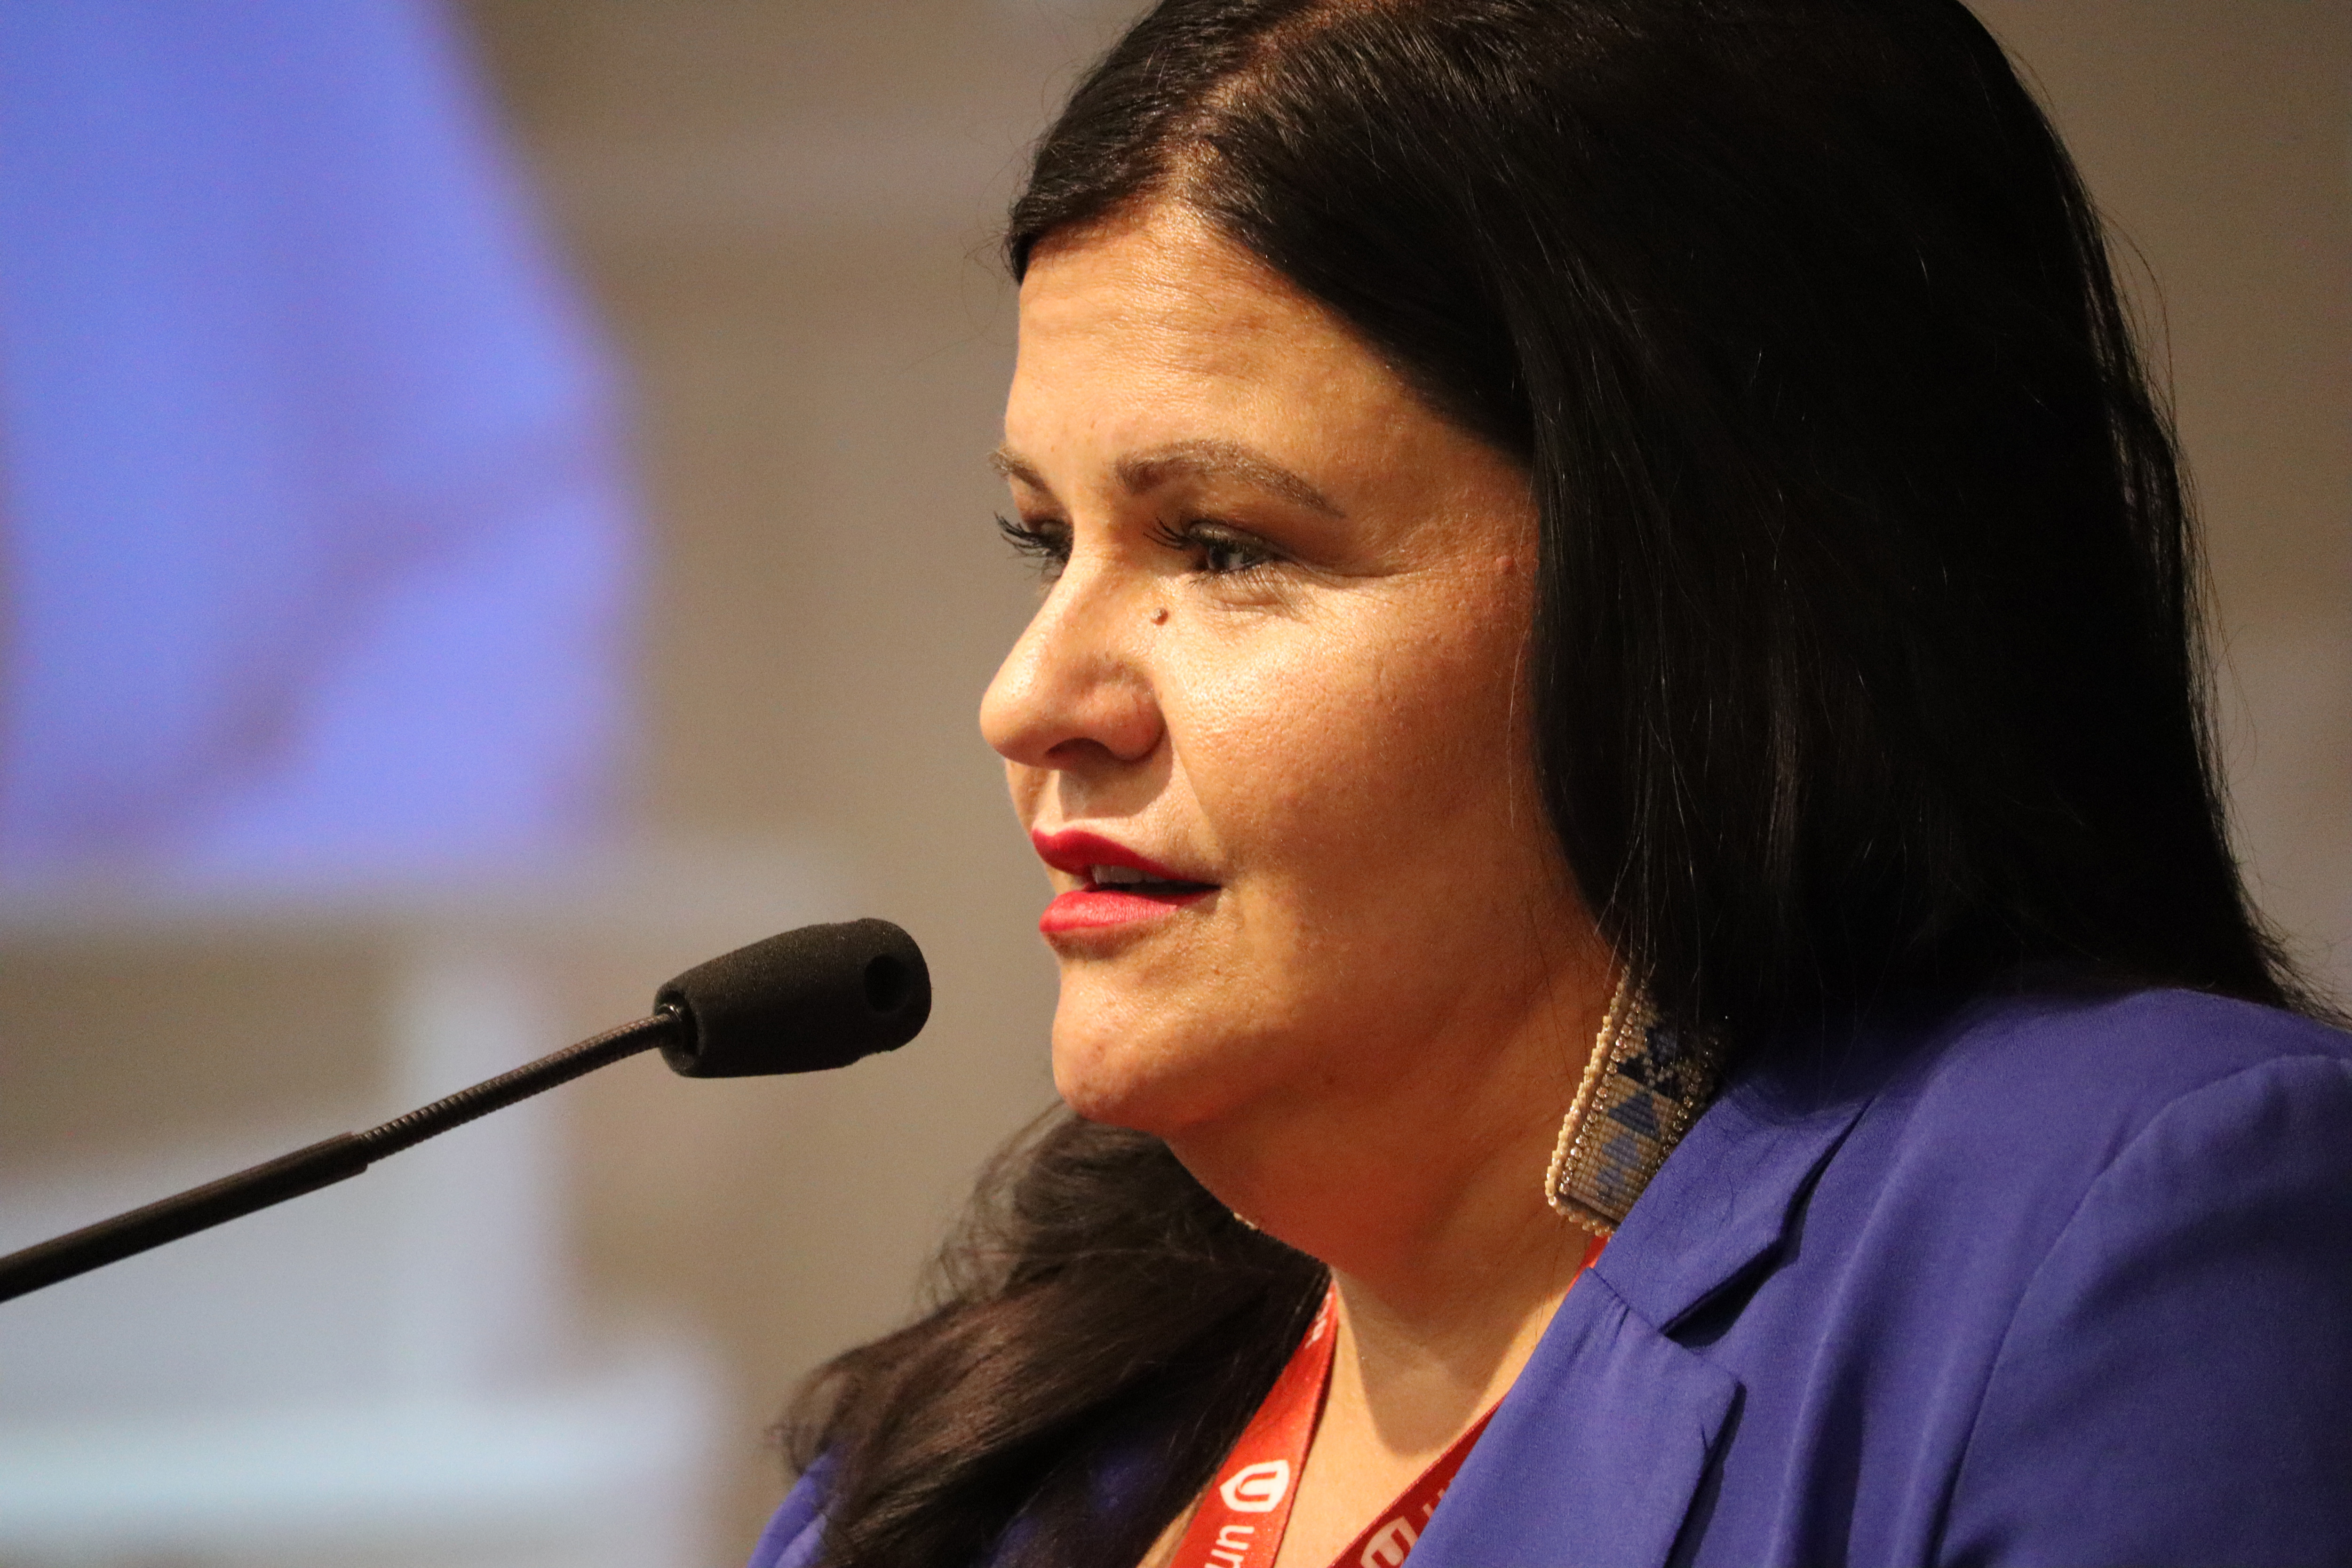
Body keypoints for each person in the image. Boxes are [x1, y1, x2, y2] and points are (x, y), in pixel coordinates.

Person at [750, 2, 2352, 1564]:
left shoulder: (2122, 1233)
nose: (1030, 699)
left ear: (1706, 599)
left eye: (1224, 547)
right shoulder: (973, 1444)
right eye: (1048, 540)